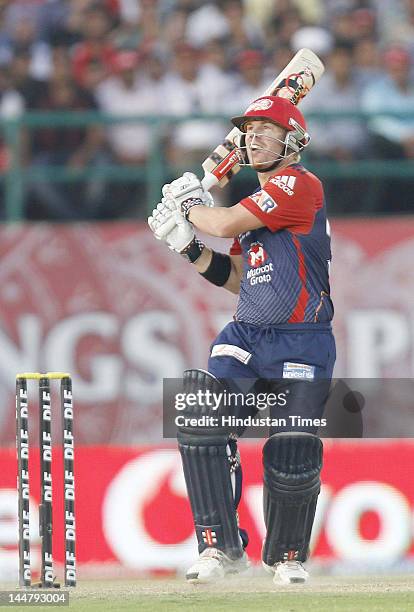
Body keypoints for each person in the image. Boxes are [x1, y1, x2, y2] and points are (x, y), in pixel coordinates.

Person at [148, 96, 335, 585]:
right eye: (248, 131)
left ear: (293, 142)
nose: (253, 140)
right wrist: (189, 247)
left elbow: (225, 222)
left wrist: (190, 205)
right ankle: (220, 550)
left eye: (265, 131)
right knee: (204, 414)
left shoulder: (299, 183)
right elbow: (237, 277)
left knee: (293, 444)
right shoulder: (255, 206)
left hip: (302, 340)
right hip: (247, 334)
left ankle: (287, 557)